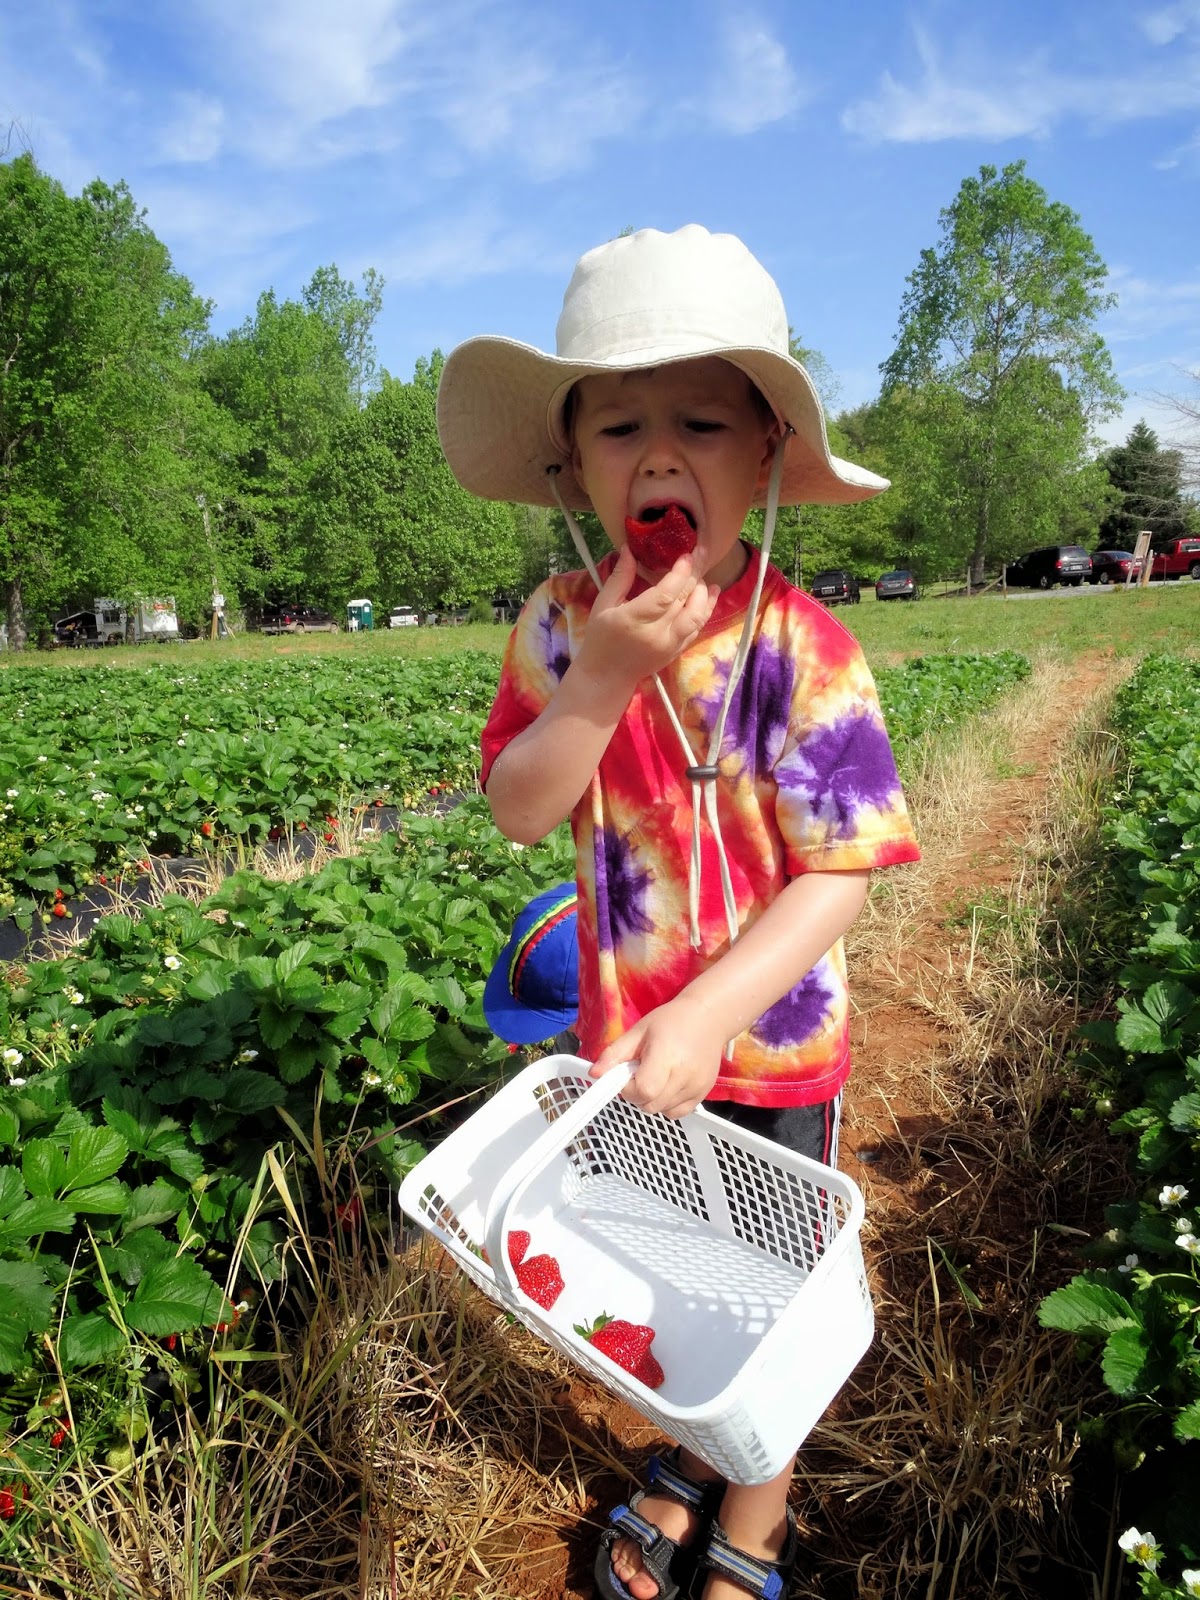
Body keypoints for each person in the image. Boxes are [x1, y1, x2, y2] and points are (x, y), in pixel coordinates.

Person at [438, 225, 920, 1600]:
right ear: (571, 465)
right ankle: (688, 1448)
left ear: (764, 453)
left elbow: (838, 872)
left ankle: (751, 1523)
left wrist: (712, 1012)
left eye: (701, 422)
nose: (660, 455)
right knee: (667, 1274)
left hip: (766, 1049)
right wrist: (595, 680)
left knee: (773, 1301)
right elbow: (523, 808)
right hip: (622, 1048)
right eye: (622, 426)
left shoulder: (801, 648)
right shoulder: (555, 625)